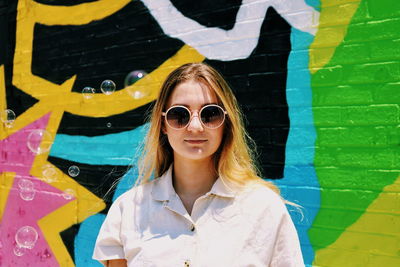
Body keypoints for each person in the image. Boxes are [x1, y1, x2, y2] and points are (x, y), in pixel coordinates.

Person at [92, 63, 304, 267]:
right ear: (163, 124)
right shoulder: (128, 209)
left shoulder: (264, 207)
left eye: (210, 114)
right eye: (179, 115)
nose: (195, 127)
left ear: (226, 123)